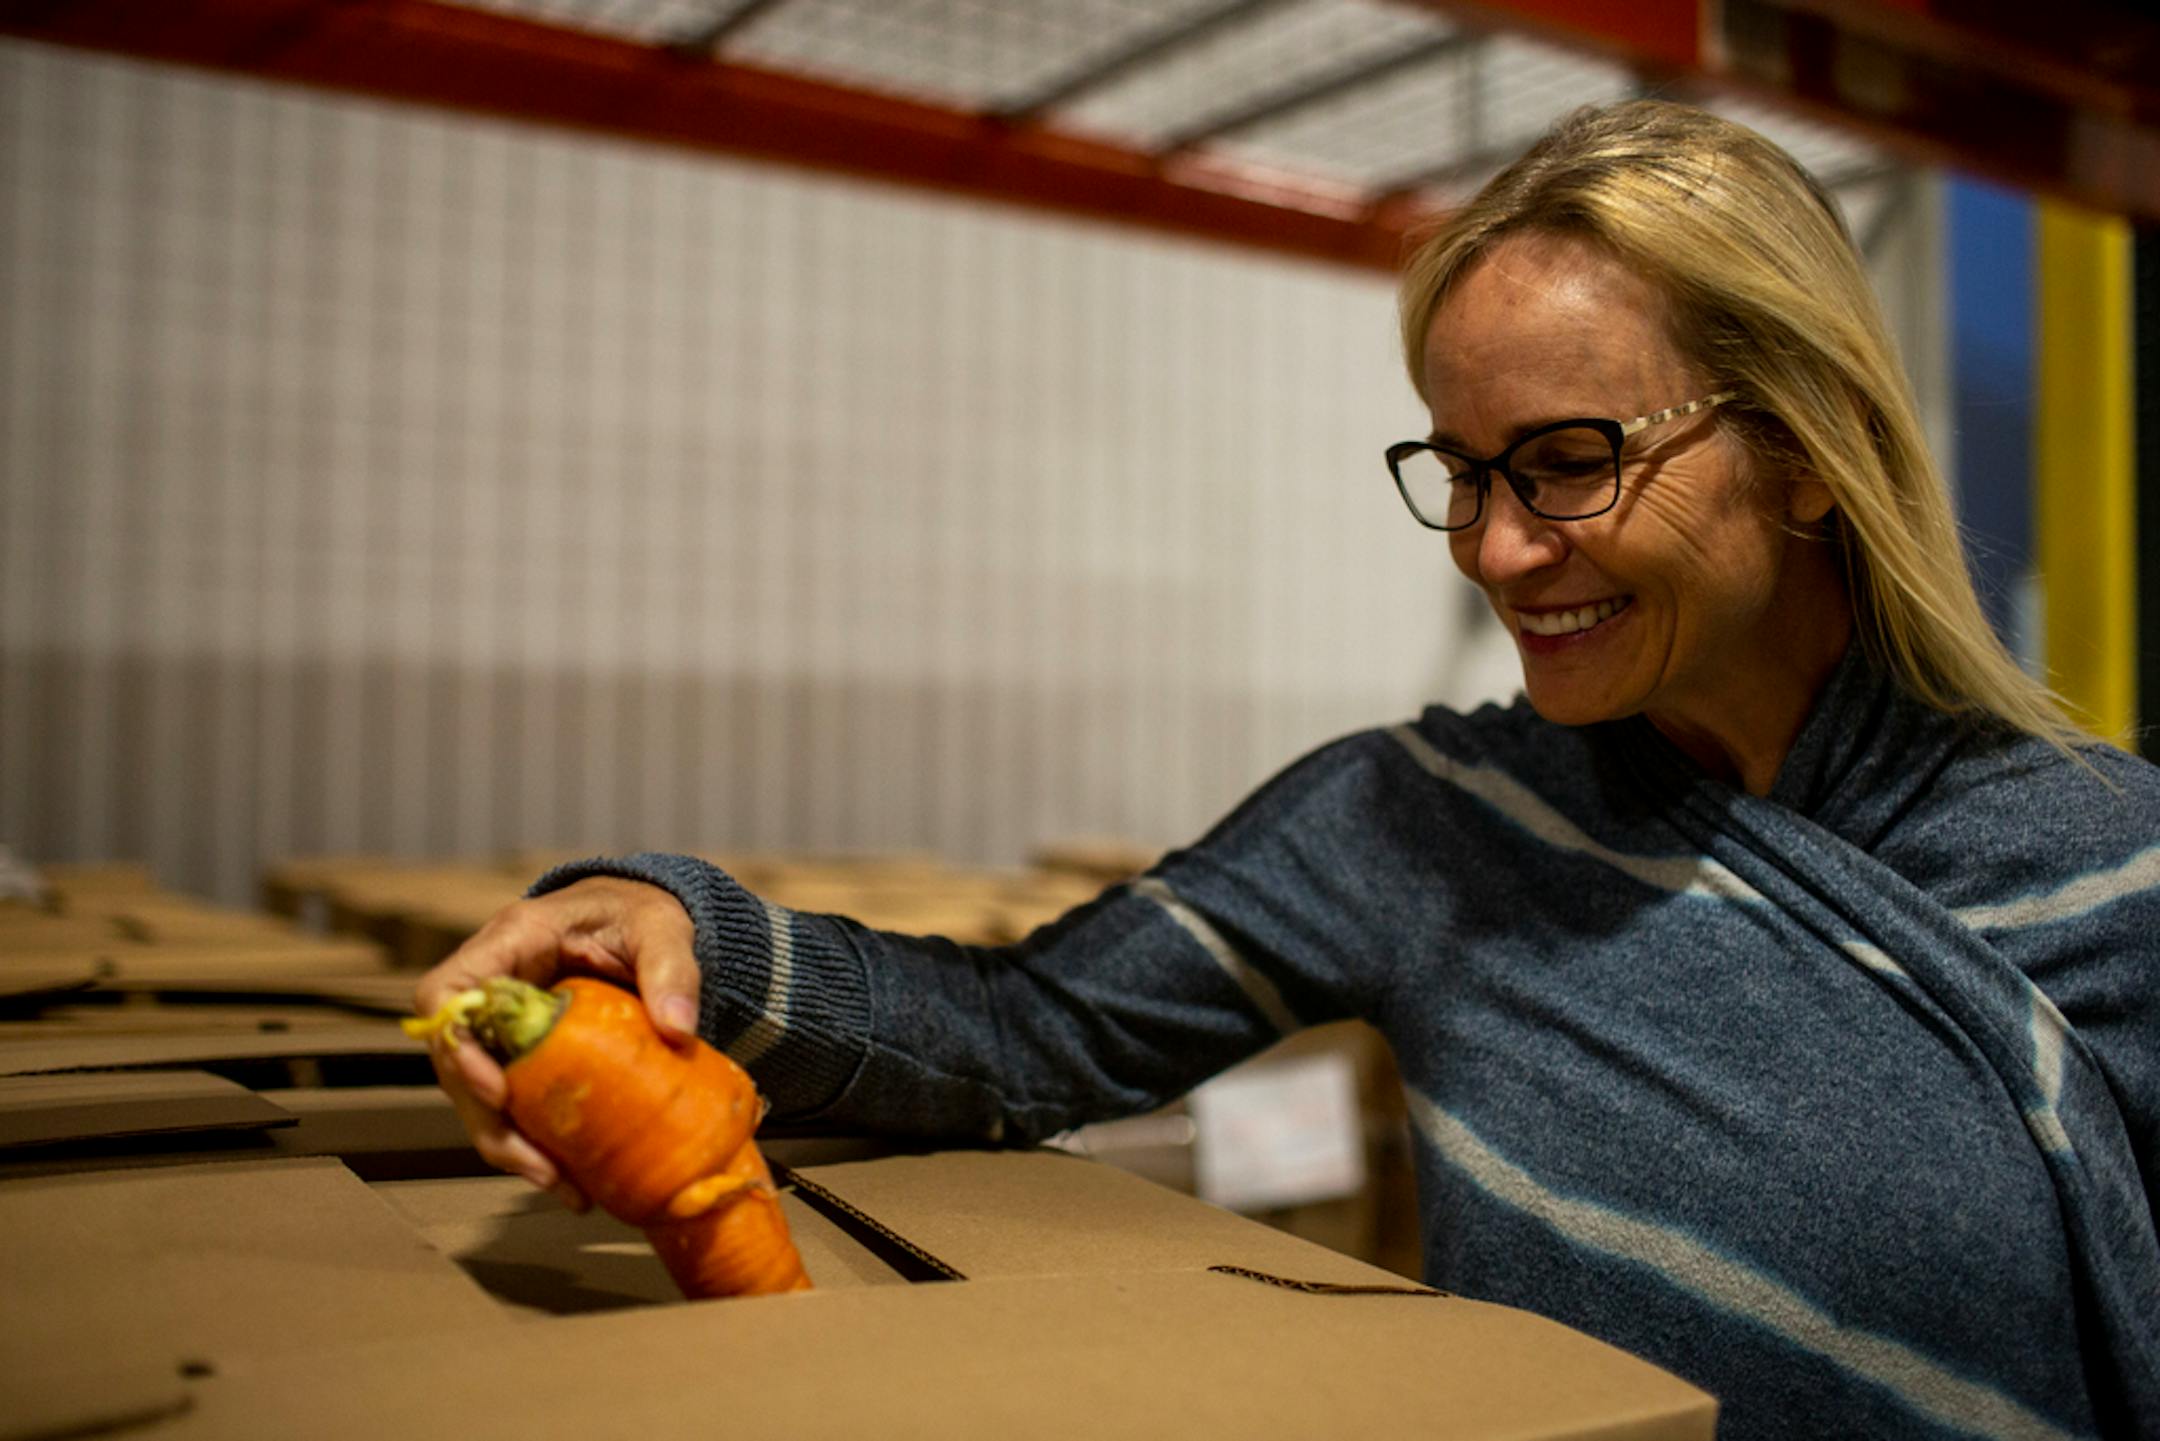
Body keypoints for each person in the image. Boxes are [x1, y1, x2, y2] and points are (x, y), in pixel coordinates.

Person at [416, 100, 2159, 1439]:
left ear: (1804, 456)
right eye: (1461, 472)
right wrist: (676, 931)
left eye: (1564, 462)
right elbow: (1030, 1030)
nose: (1491, 551)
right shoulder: (1426, 824)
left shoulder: (2112, 863)